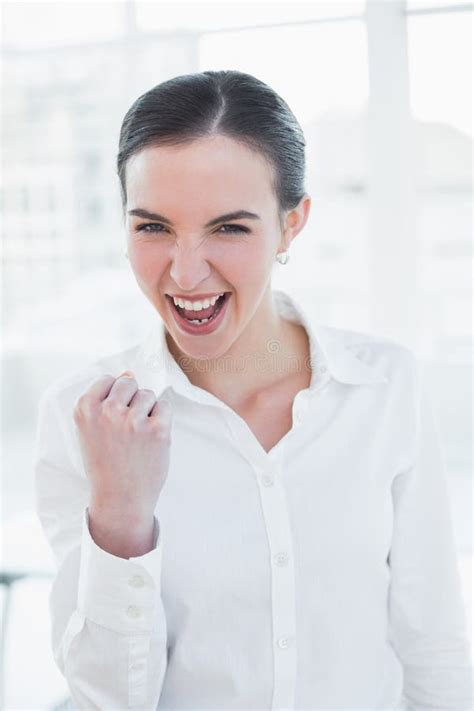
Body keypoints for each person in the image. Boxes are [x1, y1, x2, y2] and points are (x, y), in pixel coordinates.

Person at [34, 70, 472, 710]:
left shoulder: (385, 389)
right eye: (152, 227)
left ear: (292, 225)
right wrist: (122, 519)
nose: (185, 271)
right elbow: (108, 701)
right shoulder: (85, 417)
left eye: (229, 228)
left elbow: (433, 648)